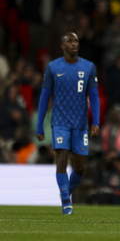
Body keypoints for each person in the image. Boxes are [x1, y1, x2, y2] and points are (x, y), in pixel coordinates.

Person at [36, 32, 100, 215]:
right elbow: (44, 97)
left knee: (80, 167)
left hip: (80, 125)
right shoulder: (53, 67)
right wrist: (39, 126)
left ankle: (66, 191)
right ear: (62, 46)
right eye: (69, 41)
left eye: (76, 41)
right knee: (61, 158)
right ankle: (66, 202)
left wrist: (95, 121)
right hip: (60, 123)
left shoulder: (88, 67)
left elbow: (94, 97)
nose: (73, 44)